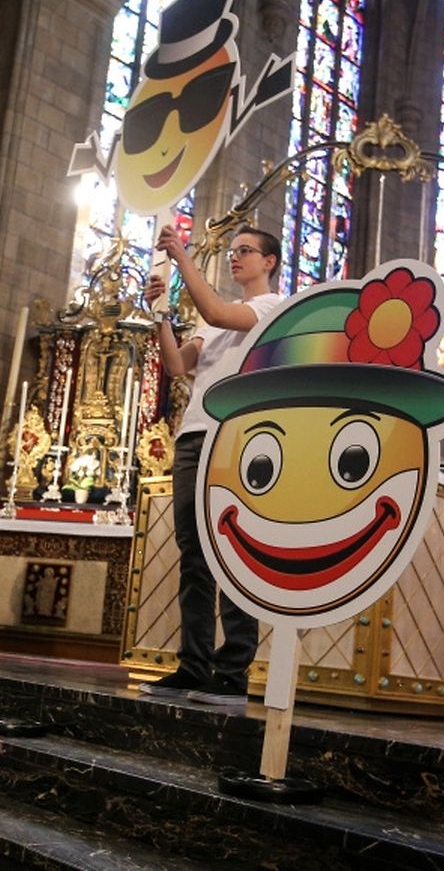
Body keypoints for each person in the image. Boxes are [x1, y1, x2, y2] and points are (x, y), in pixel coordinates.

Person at [139, 223, 283, 705]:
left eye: (246, 250)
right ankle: (194, 665)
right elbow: (180, 366)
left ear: (270, 262)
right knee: (194, 554)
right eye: (233, 250)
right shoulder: (212, 319)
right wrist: (160, 315)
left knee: (236, 550)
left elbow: (217, 310)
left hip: (236, 435)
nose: (236, 257)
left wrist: (180, 256)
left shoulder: (269, 307)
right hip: (194, 434)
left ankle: (233, 670)